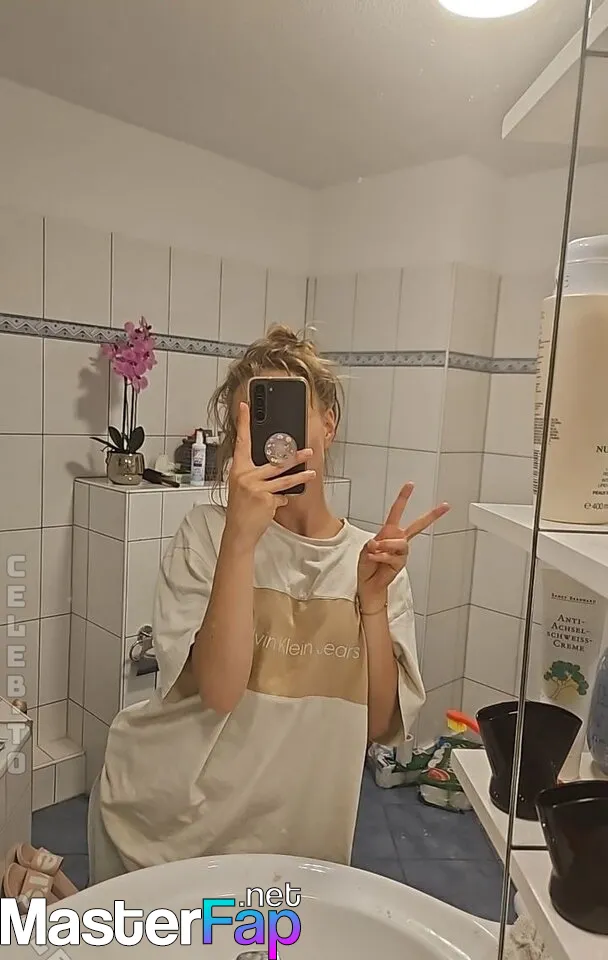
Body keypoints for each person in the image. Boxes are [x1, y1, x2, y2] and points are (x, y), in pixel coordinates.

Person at [88, 325, 449, 884]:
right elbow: (220, 691)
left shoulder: (372, 561)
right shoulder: (210, 534)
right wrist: (240, 537)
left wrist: (372, 603)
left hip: (296, 851)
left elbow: (377, 726)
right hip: (170, 834)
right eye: (253, 420)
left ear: (329, 423)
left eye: (290, 413)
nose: (275, 437)